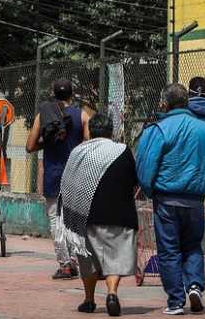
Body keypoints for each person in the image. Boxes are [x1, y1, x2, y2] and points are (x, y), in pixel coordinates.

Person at [135, 84, 205, 315]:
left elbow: (145, 167)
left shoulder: (159, 129)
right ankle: (195, 285)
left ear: (165, 103)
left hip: (166, 200)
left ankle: (176, 301)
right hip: (195, 201)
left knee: (169, 250)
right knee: (193, 245)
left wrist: (150, 191)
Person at [58, 114, 138, 317]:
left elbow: (68, 183)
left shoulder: (78, 152)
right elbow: (134, 180)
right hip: (120, 214)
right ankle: (112, 293)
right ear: (111, 132)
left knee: (87, 260)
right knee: (116, 257)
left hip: (86, 215)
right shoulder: (123, 150)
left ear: (90, 131)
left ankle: (89, 299)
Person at [26, 79, 89, 279]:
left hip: (53, 173)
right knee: (75, 218)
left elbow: (30, 146)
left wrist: (50, 142)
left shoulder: (43, 115)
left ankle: (64, 265)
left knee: (56, 219)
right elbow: (89, 145)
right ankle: (77, 261)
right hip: (76, 174)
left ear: (54, 94)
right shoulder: (83, 115)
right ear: (72, 94)